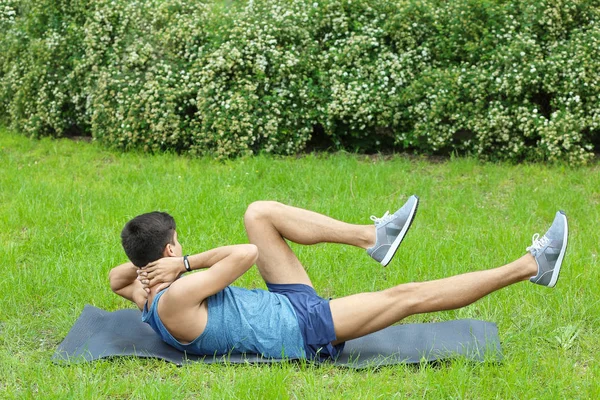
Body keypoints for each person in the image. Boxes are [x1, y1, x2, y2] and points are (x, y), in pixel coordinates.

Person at [109, 196, 568, 360]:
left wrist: (153, 266)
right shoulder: (179, 292)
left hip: (287, 302)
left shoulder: (142, 290)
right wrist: (184, 264)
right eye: (179, 245)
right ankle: (532, 266)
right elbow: (245, 254)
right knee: (407, 297)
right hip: (302, 330)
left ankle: (374, 237)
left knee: (259, 213)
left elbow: (116, 277)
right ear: (170, 250)